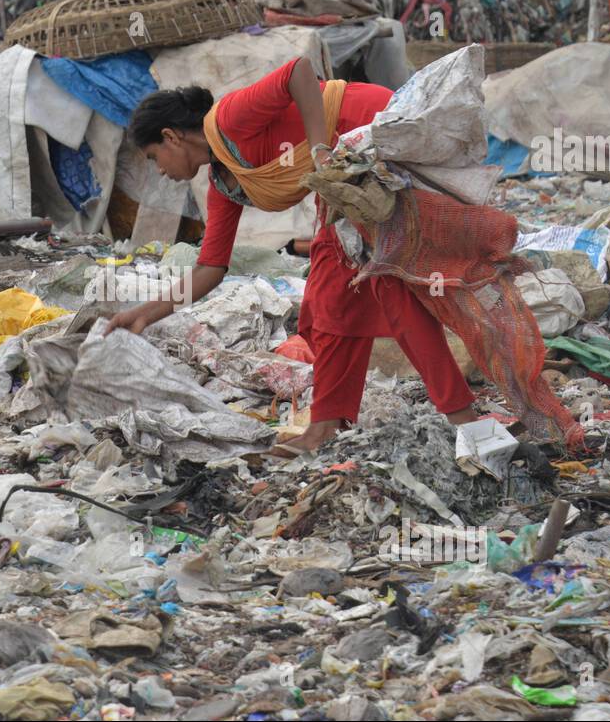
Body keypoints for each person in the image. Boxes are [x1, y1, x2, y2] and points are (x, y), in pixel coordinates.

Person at [108, 58, 479, 458]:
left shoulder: (229, 120)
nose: (159, 171)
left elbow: (299, 72)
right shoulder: (225, 182)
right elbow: (211, 269)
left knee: (385, 284)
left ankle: (465, 420)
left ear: (171, 136)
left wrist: (321, 151)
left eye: (152, 157)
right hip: (343, 180)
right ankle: (326, 426)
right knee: (329, 299)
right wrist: (146, 314)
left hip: (371, 132)